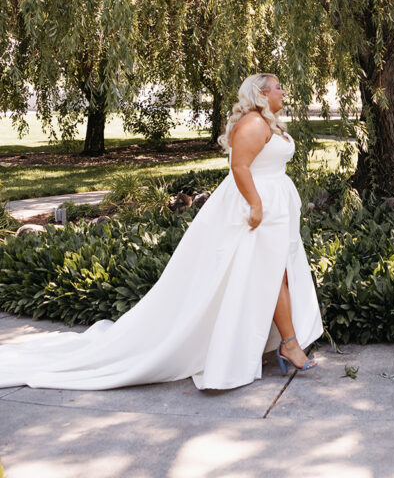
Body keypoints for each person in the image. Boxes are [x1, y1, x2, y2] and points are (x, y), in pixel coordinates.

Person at [0, 74, 323, 390]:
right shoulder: (253, 123)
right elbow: (239, 167)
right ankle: (288, 344)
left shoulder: (267, 122)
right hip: (257, 207)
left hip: (276, 205)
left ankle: (272, 341)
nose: (284, 91)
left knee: (274, 273)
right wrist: (255, 206)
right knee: (273, 274)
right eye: (278, 87)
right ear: (262, 93)